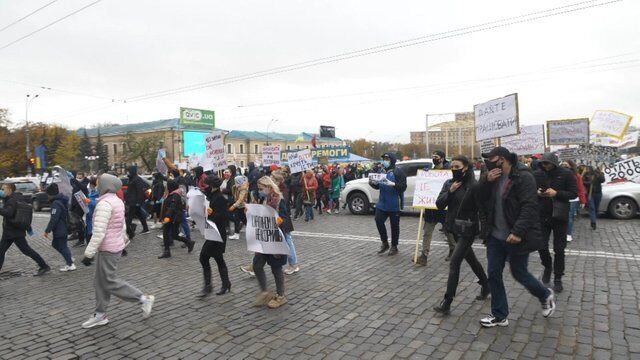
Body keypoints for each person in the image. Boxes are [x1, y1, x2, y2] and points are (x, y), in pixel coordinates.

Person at [477, 147, 555, 327]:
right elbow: (479, 198)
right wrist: (486, 182)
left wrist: (518, 232)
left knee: (519, 273)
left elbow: (529, 206)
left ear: (503, 159)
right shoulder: (491, 176)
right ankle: (499, 315)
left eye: (492, 158)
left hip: (515, 236)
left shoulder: (523, 177)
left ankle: (545, 295)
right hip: (495, 236)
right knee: (494, 274)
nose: (488, 162)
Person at [80, 174, 155, 329]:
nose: (97, 186)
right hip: (113, 246)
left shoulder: (105, 204)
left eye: (100, 183)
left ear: (106, 185)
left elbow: (99, 232)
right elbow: (122, 226)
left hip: (108, 248)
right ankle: (100, 314)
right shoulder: (117, 201)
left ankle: (142, 298)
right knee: (100, 282)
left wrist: (88, 254)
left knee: (109, 281)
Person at [433, 155, 489, 314]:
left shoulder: (474, 186)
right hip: (453, 229)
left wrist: (484, 232)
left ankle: (447, 302)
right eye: (452, 167)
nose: (454, 170)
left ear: (466, 168)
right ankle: (486, 284)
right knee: (471, 259)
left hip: (468, 230)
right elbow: (439, 204)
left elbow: (482, 210)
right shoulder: (449, 183)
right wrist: (450, 192)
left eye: (457, 167)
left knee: (454, 262)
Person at [534, 153, 577, 294]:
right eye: (543, 163)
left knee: (559, 249)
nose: (545, 166)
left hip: (560, 216)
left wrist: (556, 193)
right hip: (543, 215)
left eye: (547, 163)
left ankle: (558, 278)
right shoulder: (538, 174)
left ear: (554, 163)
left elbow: (573, 193)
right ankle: (547, 265)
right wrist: (538, 193)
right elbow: (531, 191)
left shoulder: (566, 174)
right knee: (541, 245)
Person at [252, 176, 292, 308]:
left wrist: (280, 221)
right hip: (264, 237)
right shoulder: (264, 199)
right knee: (257, 265)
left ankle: (281, 296)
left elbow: (286, 220)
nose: (260, 191)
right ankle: (265, 292)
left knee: (276, 268)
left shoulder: (280, 200)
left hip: (275, 238)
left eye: (261, 188)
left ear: (269, 187)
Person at [0, 182, 50, 276]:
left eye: (3, 189)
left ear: (10, 190)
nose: (1, 191)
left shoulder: (11, 200)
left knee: (26, 250)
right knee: (1, 251)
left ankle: (44, 266)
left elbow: (9, 213)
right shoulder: (16, 197)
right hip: (12, 231)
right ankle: (44, 266)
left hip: (14, 231)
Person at [416, 150, 456, 266]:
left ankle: (453, 250)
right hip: (431, 208)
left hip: (444, 208)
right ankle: (424, 256)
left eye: (436, 156)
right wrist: (424, 175)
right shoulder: (430, 171)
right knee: (427, 232)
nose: (434, 158)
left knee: (449, 231)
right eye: (433, 156)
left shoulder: (449, 172)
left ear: (442, 158)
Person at [198, 175, 231, 297]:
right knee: (217, 259)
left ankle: (209, 286)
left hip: (217, 233)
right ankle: (224, 284)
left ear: (211, 185)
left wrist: (211, 214)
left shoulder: (220, 198)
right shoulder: (209, 195)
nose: (204, 185)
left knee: (205, 257)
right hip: (211, 232)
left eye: (206, 184)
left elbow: (223, 216)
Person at [369, 153, 407, 256]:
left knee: (394, 226)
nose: (384, 161)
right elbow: (378, 186)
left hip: (394, 203)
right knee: (378, 221)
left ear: (392, 160)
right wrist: (372, 183)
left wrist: (394, 184)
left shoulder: (398, 172)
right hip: (382, 203)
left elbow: (403, 187)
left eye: (387, 159)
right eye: (384, 159)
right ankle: (385, 243)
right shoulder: (381, 171)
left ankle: (394, 246)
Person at [158, 180, 195, 258]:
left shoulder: (175, 195)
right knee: (174, 235)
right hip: (174, 217)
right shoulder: (174, 193)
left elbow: (172, 207)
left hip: (172, 218)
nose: (167, 188)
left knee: (166, 233)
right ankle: (189, 242)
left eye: (167, 186)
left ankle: (167, 251)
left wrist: (167, 216)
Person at [44, 184, 75, 272]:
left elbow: (54, 218)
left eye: (48, 194)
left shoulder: (55, 203)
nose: (47, 196)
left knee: (62, 246)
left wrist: (47, 230)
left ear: (51, 194)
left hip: (60, 229)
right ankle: (69, 257)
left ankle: (70, 264)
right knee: (56, 244)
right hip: (63, 228)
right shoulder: (60, 201)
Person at [561, 160, 586, 242]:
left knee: (569, 217)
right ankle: (562, 232)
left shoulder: (576, 175)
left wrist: (583, 200)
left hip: (572, 199)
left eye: (566, 164)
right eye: (563, 164)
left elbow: (580, 188)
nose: (564, 165)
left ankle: (568, 234)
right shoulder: (559, 173)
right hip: (561, 197)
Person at [124, 166, 150, 239]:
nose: (128, 172)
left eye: (129, 171)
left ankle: (129, 231)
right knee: (140, 215)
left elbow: (140, 191)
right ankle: (145, 228)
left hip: (134, 202)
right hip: (132, 201)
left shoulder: (137, 179)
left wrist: (138, 201)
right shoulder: (131, 178)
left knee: (129, 217)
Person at [228, 175, 248, 240]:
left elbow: (240, 199)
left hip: (242, 206)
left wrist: (234, 206)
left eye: (236, 181)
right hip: (238, 206)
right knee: (237, 219)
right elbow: (234, 196)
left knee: (245, 220)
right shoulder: (235, 187)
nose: (235, 182)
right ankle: (236, 234)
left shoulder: (243, 189)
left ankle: (252, 232)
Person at [85, 177, 99, 242]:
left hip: (94, 217)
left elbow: (97, 204)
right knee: (88, 234)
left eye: (92, 185)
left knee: (91, 236)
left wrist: (88, 201)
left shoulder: (98, 193)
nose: (90, 186)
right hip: (88, 216)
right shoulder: (91, 192)